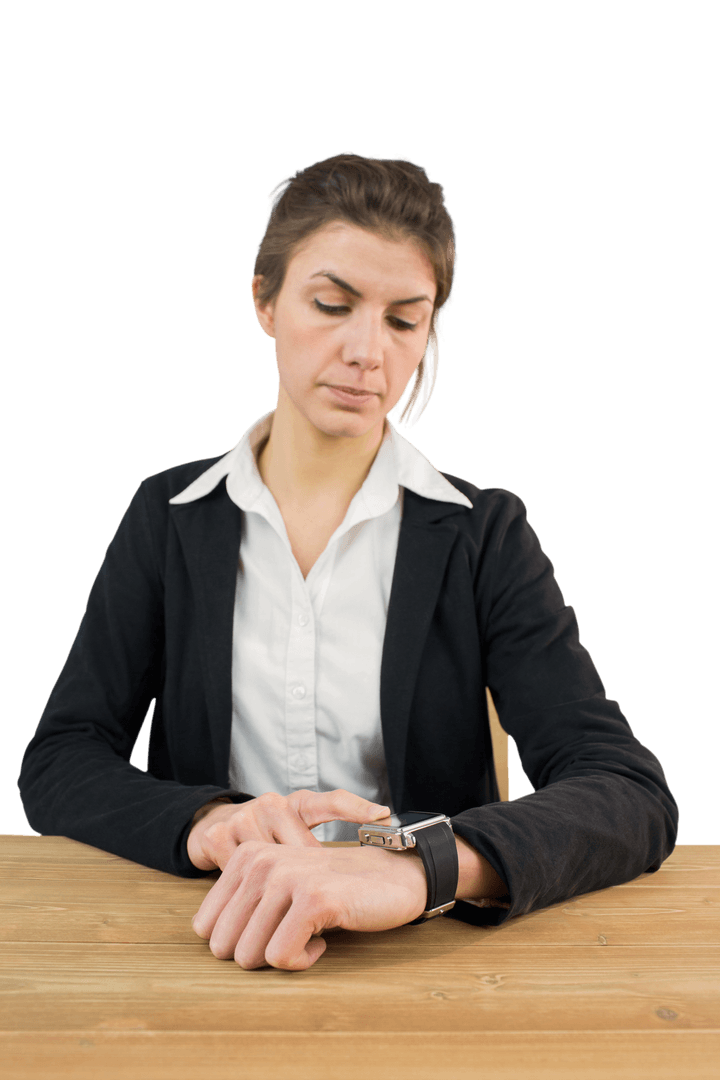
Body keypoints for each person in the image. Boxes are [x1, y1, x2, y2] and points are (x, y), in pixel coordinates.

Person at [18, 151, 679, 972]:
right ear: (264, 301)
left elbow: (627, 790)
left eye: (405, 320)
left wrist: (421, 868)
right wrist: (210, 822)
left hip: (428, 963)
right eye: (332, 304)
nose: (368, 350)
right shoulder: (169, 516)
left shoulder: (484, 534)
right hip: (203, 947)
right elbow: (60, 760)